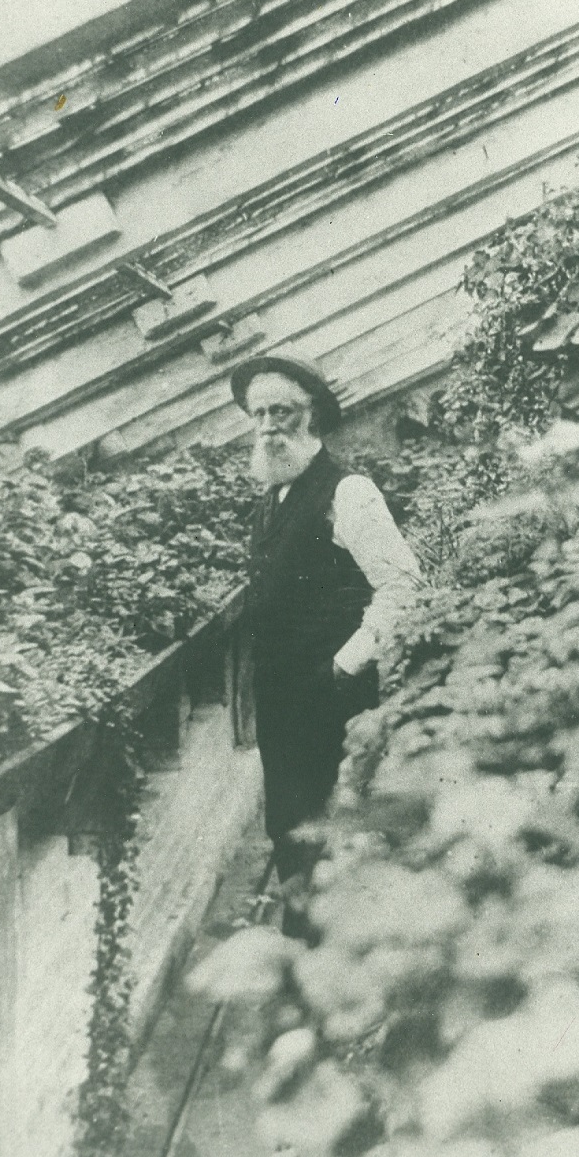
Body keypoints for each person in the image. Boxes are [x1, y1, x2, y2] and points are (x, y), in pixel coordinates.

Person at [231, 351, 421, 936]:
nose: (268, 426)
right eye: (258, 412)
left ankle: (334, 956)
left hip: (328, 695)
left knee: (329, 827)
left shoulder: (349, 492)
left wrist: (344, 664)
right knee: (289, 825)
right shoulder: (275, 495)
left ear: (312, 415)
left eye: (282, 411)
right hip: (283, 697)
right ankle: (305, 945)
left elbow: (404, 584)